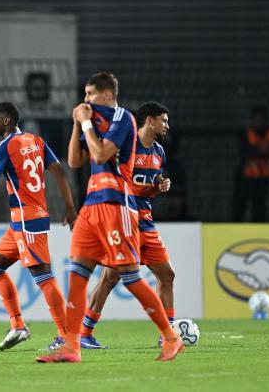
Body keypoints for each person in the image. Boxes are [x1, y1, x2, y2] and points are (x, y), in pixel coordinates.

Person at [36, 72, 183, 363]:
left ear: (106, 94)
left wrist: (87, 122)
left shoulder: (122, 119)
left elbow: (101, 155)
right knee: (77, 276)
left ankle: (170, 337)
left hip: (117, 204)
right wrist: (78, 125)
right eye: (85, 94)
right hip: (91, 205)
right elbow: (76, 162)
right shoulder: (94, 121)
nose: (86, 99)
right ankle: (72, 346)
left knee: (128, 276)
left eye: (90, 94)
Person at [0, 101, 77, 351]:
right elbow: (59, 172)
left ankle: (66, 335)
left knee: (43, 276)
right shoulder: (36, 141)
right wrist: (69, 207)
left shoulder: (4, 146)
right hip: (23, 221)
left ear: (7, 121)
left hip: (26, 220)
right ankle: (18, 326)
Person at [79, 101, 176, 350]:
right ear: (150, 120)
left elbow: (147, 189)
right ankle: (85, 333)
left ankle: (168, 332)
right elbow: (123, 185)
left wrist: (159, 186)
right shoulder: (127, 146)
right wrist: (150, 188)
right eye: (163, 120)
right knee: (109, 277)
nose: (166, 125)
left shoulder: (159, 152)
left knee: (166, 274)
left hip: (145, 221)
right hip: (122, 218)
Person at [233, 106, 269, 222]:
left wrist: (259, 151)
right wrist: (262, 150)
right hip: (246, 177)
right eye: (257, 119)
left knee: (259, 205)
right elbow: (247, 151)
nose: (259, 122)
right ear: (252, 121)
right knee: (240, 203)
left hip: (263, 178)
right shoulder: (246, 134)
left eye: (262, 119)